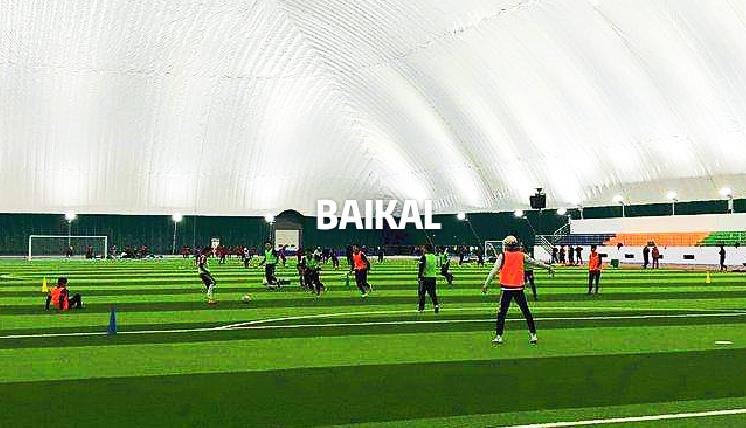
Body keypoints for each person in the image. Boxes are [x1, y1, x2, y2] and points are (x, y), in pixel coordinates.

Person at [482, 236, 554, 345]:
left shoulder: (503, 256)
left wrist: (486, 285)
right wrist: (549, 267)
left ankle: (498, 336)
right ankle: (533, 335)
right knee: (526, 312)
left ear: (506, 245)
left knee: (502, 314)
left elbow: (493, 271)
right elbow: (535, 263)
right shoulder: (521, 255)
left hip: (506, 289)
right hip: (518, 288)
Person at [417, 244, 440, 313]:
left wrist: (419, 277)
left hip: (424, 278)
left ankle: (421, 308)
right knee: (433, 293)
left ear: (426, 249)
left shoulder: (423, 257)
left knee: (421, 293)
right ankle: (436, 305)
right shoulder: (435, 257)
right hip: (433, 277)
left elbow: (421, 268)